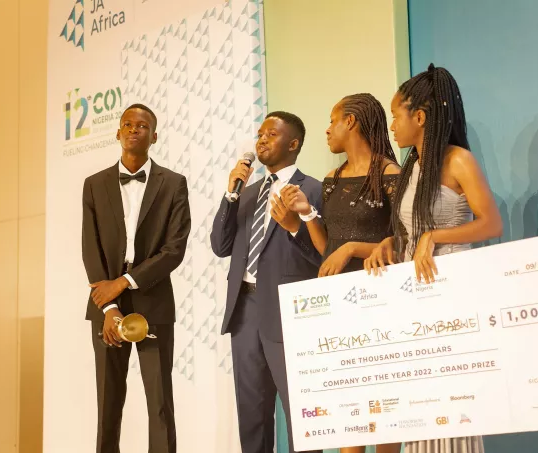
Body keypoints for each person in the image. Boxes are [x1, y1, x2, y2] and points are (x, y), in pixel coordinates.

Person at [364, 64, 503, 453]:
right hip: (417, 297)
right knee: (420, 404)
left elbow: (491, 223)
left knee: (453, 404)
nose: (392, 126)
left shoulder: (458, 161)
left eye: (397, 115)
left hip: (453, 296)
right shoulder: (411, 165)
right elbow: (410, 228)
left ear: (420, 117)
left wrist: (434, 236)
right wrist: (390, 243)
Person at [279, 93, 402, 453]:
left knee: (382, 402)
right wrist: (306, 214)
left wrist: (353, 249)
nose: (327, 130)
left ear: (351, 122)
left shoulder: (390, 175)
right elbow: (328, 250)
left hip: (378, 302)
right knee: (349, 406)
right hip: (337, 305)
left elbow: (402, 243)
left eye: (333, 121)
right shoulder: (332, 179)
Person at [210, 111, 323, 453]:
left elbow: (322, 255)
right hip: (245, 310)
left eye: (271, 134)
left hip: (290, 312)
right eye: (260, 133)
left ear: (293, 143)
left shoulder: (314, 189)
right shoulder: (248, 193)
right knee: (252, 414)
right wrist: (231, 194)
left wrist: (297, 223)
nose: (261, 139)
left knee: (301, 410)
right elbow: (220, 246)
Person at [81, 103, 191, 453]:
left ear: (154, 136)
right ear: (117, 133)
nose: (133, 129)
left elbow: (174, 250)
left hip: (153, 299)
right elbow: (90, 248)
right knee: (107, 403)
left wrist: (124, 282)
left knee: (160, 404)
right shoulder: (94, 184)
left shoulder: (173, 183)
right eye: (127, 124)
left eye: (142, 126)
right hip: (106, 304)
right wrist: (109, 306)